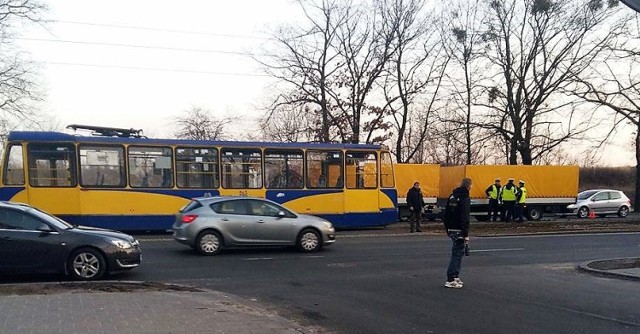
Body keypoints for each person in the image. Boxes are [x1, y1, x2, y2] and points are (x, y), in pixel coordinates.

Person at [443, 177, 472, 289]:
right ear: (469, 186)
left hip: (451, 228)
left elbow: (446, 214)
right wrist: (466, 233)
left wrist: (447, 228)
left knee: (458, 252)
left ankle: (455, 276)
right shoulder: (465, 198)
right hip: (459, 229)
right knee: (457, 253)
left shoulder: (452, 196)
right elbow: (465, 217)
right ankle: (451, 278)